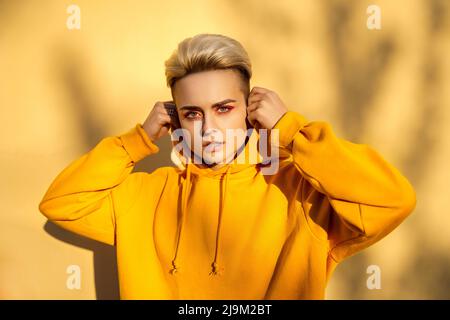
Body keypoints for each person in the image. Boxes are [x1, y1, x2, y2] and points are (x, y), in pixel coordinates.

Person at [38, 33, 416, 299]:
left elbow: (392, 200)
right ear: (175, 120)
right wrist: (138, 139)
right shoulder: (148, 193)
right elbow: (61, 203)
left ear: (249, 108)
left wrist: (290, 130)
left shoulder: (298, 193)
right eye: (192, 113)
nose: (209, 128)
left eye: (224, 108)